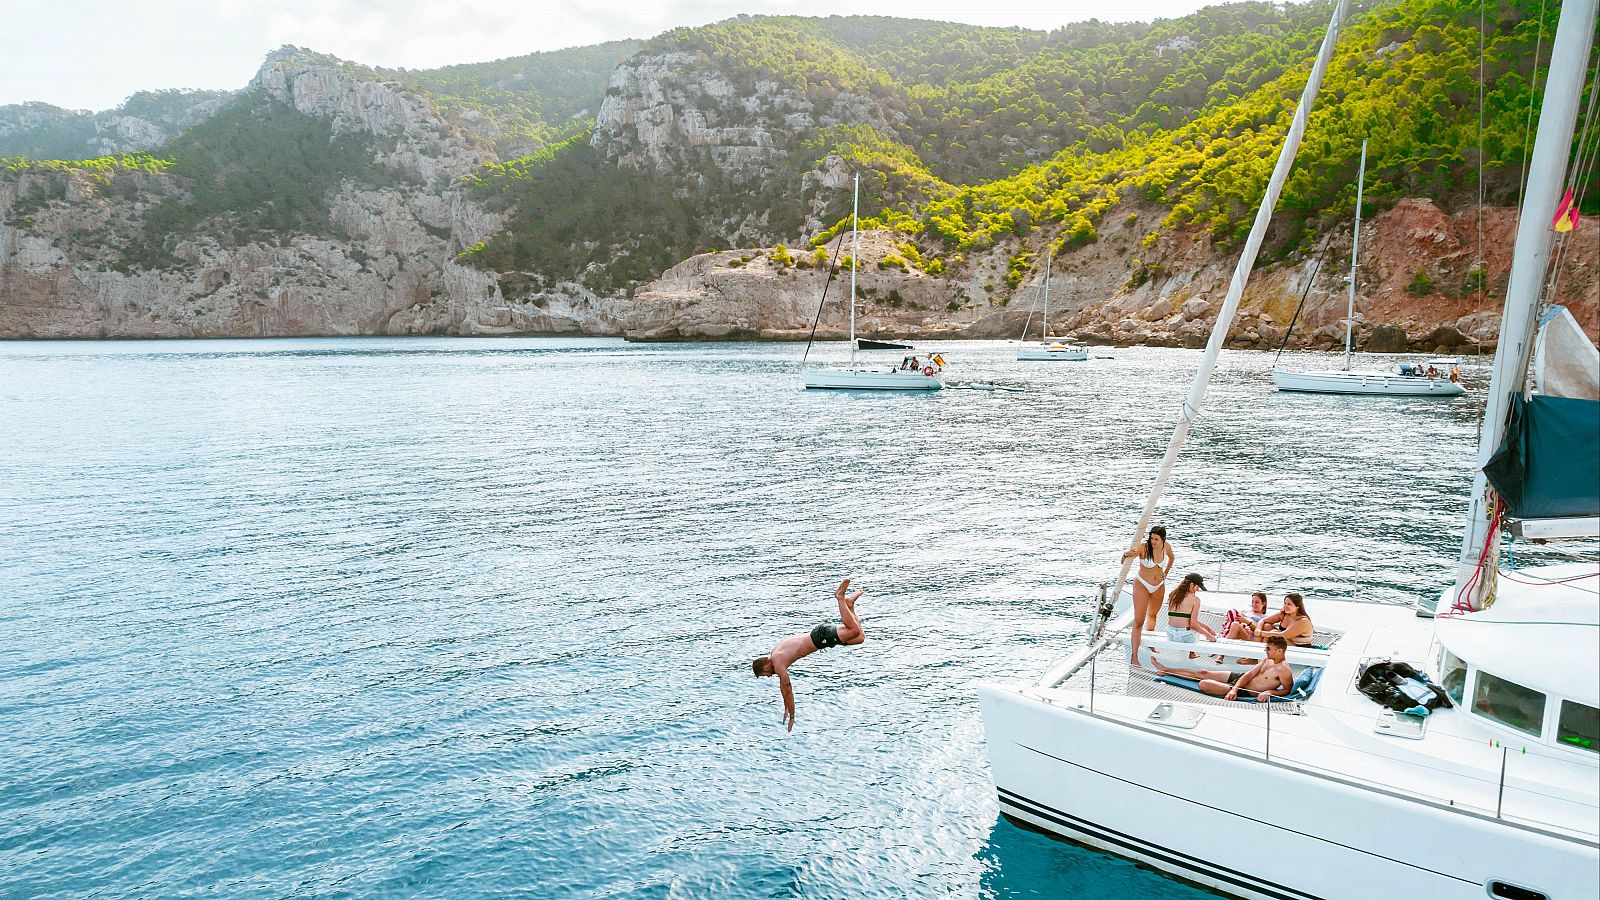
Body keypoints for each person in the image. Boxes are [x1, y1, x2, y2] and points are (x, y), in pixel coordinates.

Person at [752, 578, 866, 732]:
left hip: (820, 637)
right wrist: (786, 706)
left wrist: (792, 715)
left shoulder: (777, 661)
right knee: (859, 638)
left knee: (853, 631)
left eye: (766, 674)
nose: (769, 675)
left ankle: (840, 597)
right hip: (820, 638)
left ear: (765, 666)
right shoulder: (776, 654)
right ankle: (850, 606)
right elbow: (783, 687)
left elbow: (787, 687)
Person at [1153, 636, 1295, 702]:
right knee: (1203, 672)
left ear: (1280, 651)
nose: (1265, 650)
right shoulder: (1267, 659)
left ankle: (1225, 688)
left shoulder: (1284, 670)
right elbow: (1250, 673)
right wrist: (1235, 686)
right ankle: (1166, 670)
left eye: (1268, 649)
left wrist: (1269, 692)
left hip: (1245, 691)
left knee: (1204, 683)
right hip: (1240, 680)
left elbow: (1287, 690)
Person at [1120, 525, 1174, 666]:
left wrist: (1166, 572)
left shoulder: (1166, 547)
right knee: (1138, 621)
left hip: (1158, 586)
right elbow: (1123, 561)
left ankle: (1150, 643)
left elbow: (1172, 558)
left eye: (1156, 539)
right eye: (1151, 538)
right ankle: (1134, 656)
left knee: (1152, 615)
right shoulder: (1143, 548)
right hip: (1142, 584)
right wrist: (1126, 554)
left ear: (1163, 539)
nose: (1153, 542)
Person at [1236, 593, 1314, 646]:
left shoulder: (1303, 621)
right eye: (1285, 603)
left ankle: (1256, 658)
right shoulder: (1284, 614)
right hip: (1285, 642)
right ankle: (1254, 655)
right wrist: (1258, 629)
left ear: (1298, 607)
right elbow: (1263, 620)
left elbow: (1284, 635)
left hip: (1298, 648)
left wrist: (1261, 633)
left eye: (1289, 604)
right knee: (1266, 626)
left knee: (1272, 634)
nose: (1286, 606)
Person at [1164, 572, 1216, 644]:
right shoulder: (1195, 600)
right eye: (1197, 587)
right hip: (1185, 636)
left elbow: (1185, 618)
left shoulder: (1172, 595)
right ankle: (1192, 653)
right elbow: (1193, 625)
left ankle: (1191, 653)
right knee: (1197, 631)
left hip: (1170, 633)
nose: (1197, 590)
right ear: (1191, 585)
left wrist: (1208, 628)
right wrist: (1209, 636)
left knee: (1196, 628)